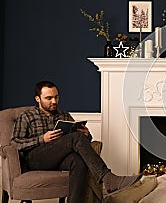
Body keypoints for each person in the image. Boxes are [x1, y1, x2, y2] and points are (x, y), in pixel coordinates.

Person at [11, 81, 142, 203]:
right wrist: (42, 139)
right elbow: (15, 143)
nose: (54, 101)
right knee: (75, 138)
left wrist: (86, 135)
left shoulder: (64, 116)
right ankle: (108, 178)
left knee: (78, 161)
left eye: (56, 97)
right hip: (35, 158)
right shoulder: (27, 116)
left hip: (58, 158)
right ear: (37, 99)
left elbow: (80, 144)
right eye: (49, 98)